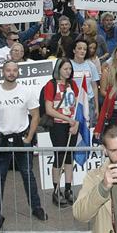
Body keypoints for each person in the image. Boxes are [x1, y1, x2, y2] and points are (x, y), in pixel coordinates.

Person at [0, 60, 47, 221]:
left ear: (18, 72)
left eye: (14, 70)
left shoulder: (27, 91)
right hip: (1, 138)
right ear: (3, 72)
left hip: (22, 137)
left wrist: (29, 137)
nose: (11, 73)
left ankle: (36, 207)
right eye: (8, 70)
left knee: (28, 174)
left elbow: (36, 115)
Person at [43, 58, 81, 208]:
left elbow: (78, 105)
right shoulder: (51, 85)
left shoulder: (73, 84)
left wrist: (76, 122)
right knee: (59, 157)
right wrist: (67, 119)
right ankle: (56, 190)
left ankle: (69, 188)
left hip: (72, 125)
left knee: (69, 157)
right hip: (58, 125)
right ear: (58, 69)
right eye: (65, 69)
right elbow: (49, 109)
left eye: (70, 69)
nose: (68, 71)